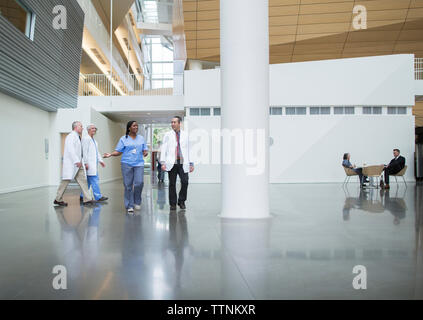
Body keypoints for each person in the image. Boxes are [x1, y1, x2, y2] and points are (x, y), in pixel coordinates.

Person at [103, 121, 148, 214]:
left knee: (139, 183)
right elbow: (118, 151)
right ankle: (129, 205)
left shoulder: (141, 138)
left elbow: (145, 150)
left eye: (137, 126)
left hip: (139, 164)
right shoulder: (123, 139)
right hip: (126, 164)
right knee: (128, 185)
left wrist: (145, 152)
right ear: (129, 128)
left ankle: (137, 201)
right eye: (134, 126)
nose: (136, 127)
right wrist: (110, 154)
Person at [54, 121, 96, 207]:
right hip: (73, 164)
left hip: (78, 164)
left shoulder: (77, 136)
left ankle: (87, 199)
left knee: (83, 181)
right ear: (76, 127)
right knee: (65, 182)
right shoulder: (71, 136)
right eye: (81, 126)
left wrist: (80, 161)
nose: (82, 128)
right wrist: (76, 161)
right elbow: (70, 149)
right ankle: (58, 199)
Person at [160, 116, 194, 210]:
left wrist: (191, 163)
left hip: (183, 162)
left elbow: (189, 150)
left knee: (185, 182)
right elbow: (164, 149)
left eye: (174, 122)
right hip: (172, 163)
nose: (172, 124)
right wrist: (163, 162)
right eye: (171, 122)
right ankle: (173, 204)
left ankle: (181, 201)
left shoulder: (186, 135)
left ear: (180, 123)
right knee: (172, 183)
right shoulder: (167, 135)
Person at [80, 124, 108, 203]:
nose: (94, 130)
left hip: (93, 164)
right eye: (92, 128)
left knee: (88, 182)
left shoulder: (94, 141)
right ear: (88, 130)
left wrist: (101, 161)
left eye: (95, 128)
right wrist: (85, 163)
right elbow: (84, 152)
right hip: (89, 164)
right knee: (95, 180)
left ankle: (82, 196)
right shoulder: (86, 139)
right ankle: (98, 197)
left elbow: (96, 152)